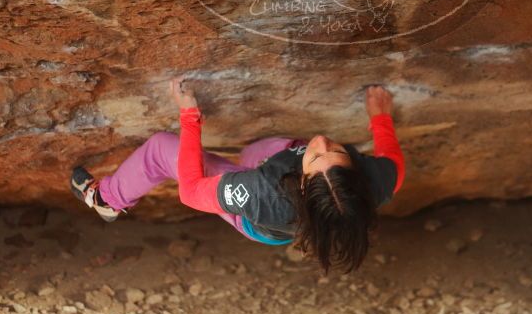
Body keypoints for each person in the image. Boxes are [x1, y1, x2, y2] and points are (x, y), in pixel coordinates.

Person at [70, 79, 405, 272]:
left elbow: (190, 190)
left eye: (318, 155)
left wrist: (189, 115)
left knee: (160, 148)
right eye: (336, 150)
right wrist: (380, 117)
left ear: (302, 183)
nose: (320, 140)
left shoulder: (262, 194)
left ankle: (107, 200)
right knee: (260, 151)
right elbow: (395, 164)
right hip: (289, 197)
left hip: (259, 222)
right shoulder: (375, 181)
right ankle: (262, 156)